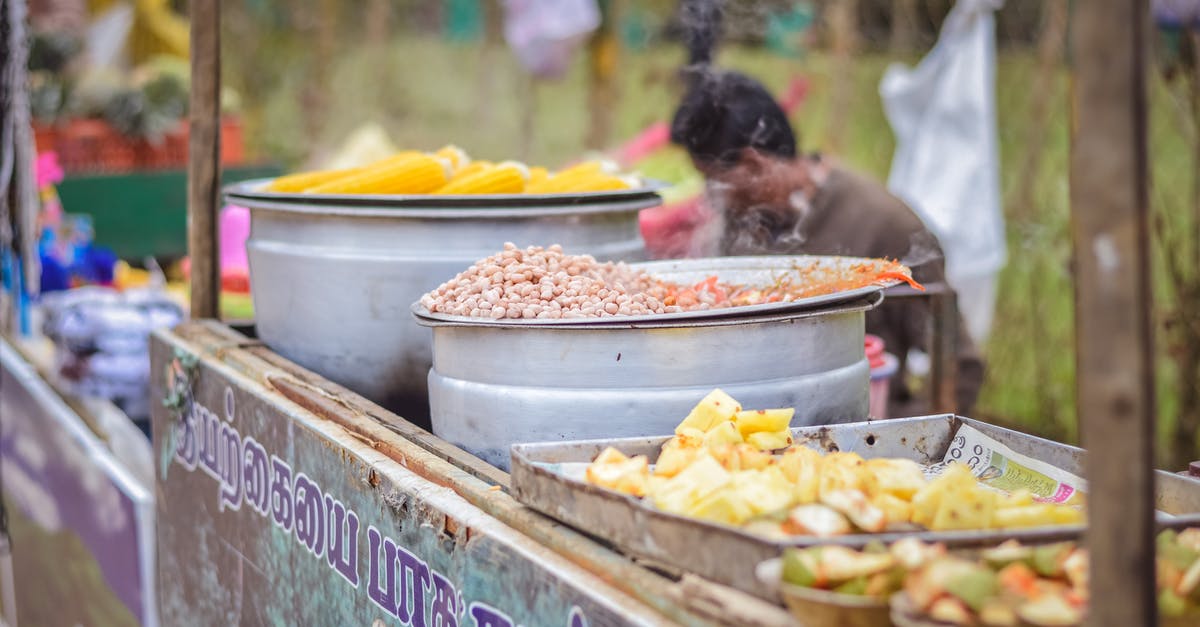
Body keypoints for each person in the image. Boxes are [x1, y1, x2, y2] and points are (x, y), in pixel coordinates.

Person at [669, 66, 984, 416]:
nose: (714, 196)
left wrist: (905, 440)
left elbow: (959, 365)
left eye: (716, 180)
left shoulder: (884, 224)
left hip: (859, 435)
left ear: (754, 164)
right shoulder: (739, 223)